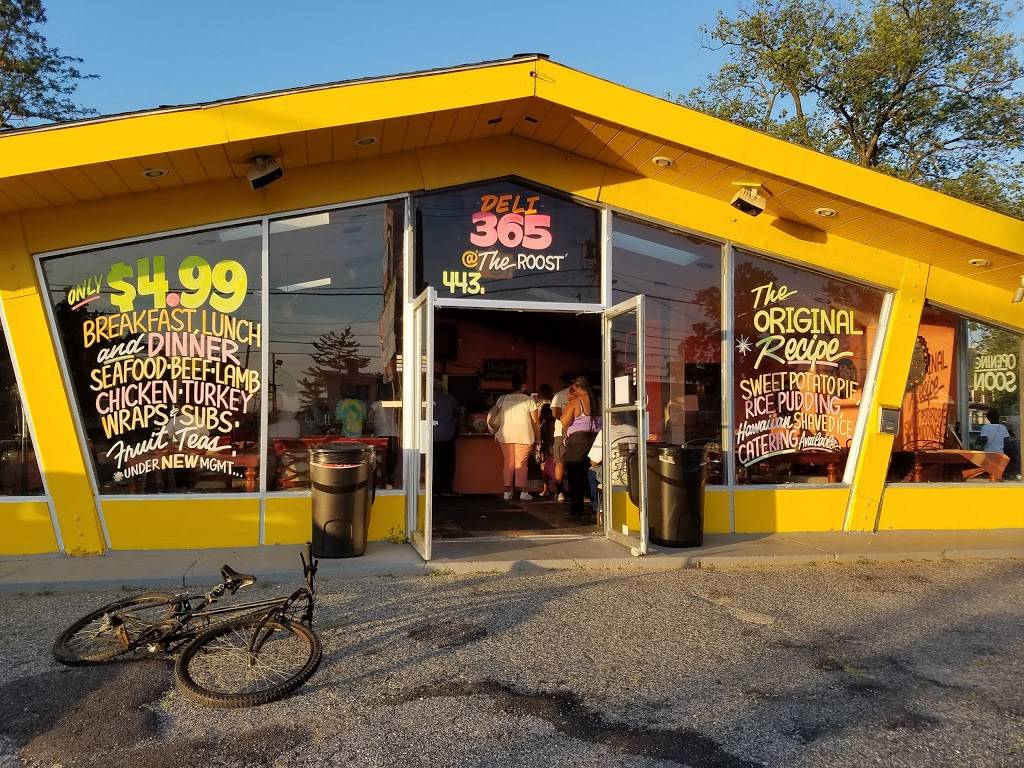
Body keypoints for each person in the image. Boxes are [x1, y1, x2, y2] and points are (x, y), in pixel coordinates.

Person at [559, 376, 600, 519]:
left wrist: (567, 407)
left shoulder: (576, 402)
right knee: (592, 473)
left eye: (574, 388)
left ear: (578, 388)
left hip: (578, 441)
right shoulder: (598, 401)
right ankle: (596, 507)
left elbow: (564, 421)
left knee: (575, 476)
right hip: (595, 439)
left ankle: (577, 508)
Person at [493, 375, 539, 500]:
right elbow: (535, 421)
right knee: (521, 463)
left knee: (508, 463)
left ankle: (507, 492)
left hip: (505, 435)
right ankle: (523, 492)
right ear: (523, 386)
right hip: (524, 435)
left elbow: (494, 414)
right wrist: (538, 438)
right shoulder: (529, 400)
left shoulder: (503, 399)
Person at [587, 414, 639, 521]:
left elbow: (593, 462)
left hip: (613, 477)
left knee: (591, 472)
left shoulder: (605, 432)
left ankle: (598, 510)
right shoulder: (635, 431)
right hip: (634, 476)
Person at [550, 372, 574, 503]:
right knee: (575, 463)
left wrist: (565, 420)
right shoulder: (582, 395)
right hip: (576, 431)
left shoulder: (559, 395)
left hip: (561, 432)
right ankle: (574, 491)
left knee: (559, 462)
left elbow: (555, 413)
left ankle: (560, 492)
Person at [433, 375, 459, 496]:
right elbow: (457, 412)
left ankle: (434, 489)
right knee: (447, 463)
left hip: (431, 436)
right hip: (447, 435)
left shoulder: (425, 399)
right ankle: (446, 488)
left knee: (434, 464)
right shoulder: (449, 398)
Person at [534, 384, 556, 498]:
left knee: (543, 464)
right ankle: (557, 488)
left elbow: (536, 421)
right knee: (554, 462)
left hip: (542, 436)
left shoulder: (538, 405)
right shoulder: (553, 403)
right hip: (553, 435)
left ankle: (545, 488)